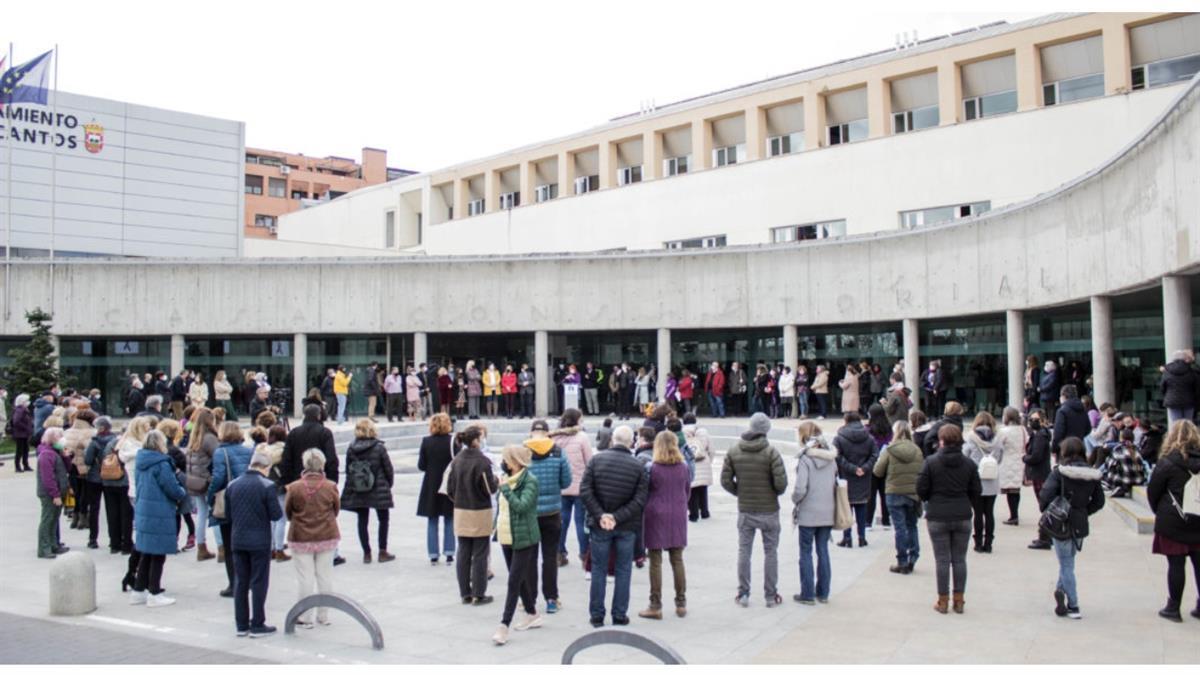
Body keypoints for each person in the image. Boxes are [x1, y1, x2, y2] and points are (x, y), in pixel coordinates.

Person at [580, 424, 647, 627]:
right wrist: (616, 517)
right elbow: (640, 500)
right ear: (631, 442)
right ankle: (619, 614)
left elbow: (585, 490)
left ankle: (597, 615)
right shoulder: (638, 466)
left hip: (601, 525)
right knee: (623, 569)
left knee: (599, 569)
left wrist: (602, 516)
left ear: (612, 440)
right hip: (626, 526)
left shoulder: (596, 460)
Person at [721, 412, 788, 608]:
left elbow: (725, 480)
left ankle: (743, 593)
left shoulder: (734, 451)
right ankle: (770, 594)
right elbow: (781, 484)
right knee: (771, 552)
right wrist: (771, 492)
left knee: (744, 551)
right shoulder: (771, 452)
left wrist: (740, 492)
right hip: (769, 509)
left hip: (746, 509)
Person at [917, 425, 982, 615]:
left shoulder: (931, 462)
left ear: (942, 441)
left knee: (942, 560)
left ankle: (943, 600)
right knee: (960, 559)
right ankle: (959, 600)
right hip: (962, 514)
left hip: (938, 514)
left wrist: (931, 498)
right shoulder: (969, 464)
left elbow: (921, 488)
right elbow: (976, 491)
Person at [1039, 437, 1105, 620]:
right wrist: (1083, 511)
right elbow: (1099, 501)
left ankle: (1073, 604)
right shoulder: (1092, 474)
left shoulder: (1059, 473)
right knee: (1068, 561)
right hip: (1079, 521)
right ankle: (1060, 589)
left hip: (1060, 521)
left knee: (1066, 564)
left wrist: (1051, 509)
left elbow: (1045, 494)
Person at [225, 447, 284, 637]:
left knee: (240, 581)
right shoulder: (267, 485)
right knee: (259, 582)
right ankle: (257, 623)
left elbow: (228, 515)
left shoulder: (233, 485)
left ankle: (241, 624)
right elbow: (276, 515)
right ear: (265, 468)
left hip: (238, 539)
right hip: (259, 541)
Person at [1146, 420, 1200, 621]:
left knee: (1176, 565)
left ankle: (1173, 607)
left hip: (1174, 520)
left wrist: (1160, 512)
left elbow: (1153, 492)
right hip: (1199, 518)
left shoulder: (1167, 462)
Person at [129, 429, 188, 607]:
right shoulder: (161, 463)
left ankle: (139, 590)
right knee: (158, 554)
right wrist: (182, 492)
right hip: (159, 510)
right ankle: (154, 591)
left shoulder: (141, 461)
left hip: (144, 509)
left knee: (147, 550)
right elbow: (171, 487)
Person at [491, 443, 542, 645]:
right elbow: (502, 509)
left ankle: (504, 626)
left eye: (505, 459)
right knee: (518, 578)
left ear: (514, 462)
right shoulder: (506, 479)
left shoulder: (530, 481)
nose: (503, 462)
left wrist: (505, 490)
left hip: (524, 537)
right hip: (506, 535)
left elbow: (521, 506)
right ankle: (532, 613)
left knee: (513, 581)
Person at [636, 430, 691, 620]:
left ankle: (655, 604)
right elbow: (687, 490)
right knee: (677, 559)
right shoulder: (683, 467)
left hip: (655, 513)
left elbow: (644, 492)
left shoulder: (652, 467)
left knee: (655, 561)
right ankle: (681, 602)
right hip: (677, 513)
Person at [284, 448, 340, 628]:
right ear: (322, 465)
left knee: (305, 578)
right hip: (326, 534)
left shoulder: (294, 487)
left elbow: (288, 511)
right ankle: (323, 615)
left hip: (301, 535)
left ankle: (305, 616)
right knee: (325, 576)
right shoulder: (330, 486)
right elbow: (336, 510)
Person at [521, 419, 572, 612]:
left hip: (530, 511)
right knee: (550, 556)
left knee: (530, 557)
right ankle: (551, 598)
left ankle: (529, 598)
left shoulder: (523, 452)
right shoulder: (558, 452)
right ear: (548, 433)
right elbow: (566, 481)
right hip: (552, 511)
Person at [445, 426, 499, 604]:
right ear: (476, 440)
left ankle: (464, 593)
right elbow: (489, 488)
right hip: (479, 509)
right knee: (480, 552)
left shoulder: (457, 460)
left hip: (461, 508)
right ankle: (478, 593)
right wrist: (497, 481)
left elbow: (450, 488)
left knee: (463, 551)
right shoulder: (482, 461)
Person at [790, 421, 837, 604]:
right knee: (823, 551)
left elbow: (801, 488)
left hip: (809, 512)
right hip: (827, 510)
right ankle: (823, 593)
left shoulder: (805, 459)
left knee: (806, 552)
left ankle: (807, 593)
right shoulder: (831, 457)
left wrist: (795, 499)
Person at [207, 421, 254, 595]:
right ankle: (247, 580)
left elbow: (218, 477)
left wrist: (210, 495)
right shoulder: (248, 450)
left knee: (229, 545)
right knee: (245, 543)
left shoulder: (221, 452)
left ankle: (234, 584)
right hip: (247, 499)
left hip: (228, 500)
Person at [341, 419, 395, 563]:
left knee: (362, 520)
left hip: (359, 486)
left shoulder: (351, 448)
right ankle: (382, 551)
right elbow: (388, 468)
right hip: (379, 486)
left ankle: (367, 553)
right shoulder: (379, 447)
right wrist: (388, 484)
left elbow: (348, 470)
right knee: (383, 519)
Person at [874, 421, 923, 574]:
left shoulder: (890, 450)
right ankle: (912, 557)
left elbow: (878, 471)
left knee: (900, 528)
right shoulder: (917, 450)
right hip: (912, 493)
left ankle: (901, 560)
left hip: (894, 491)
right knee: (912, 525)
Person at [550, 409, 592, 569]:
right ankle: (584, 555)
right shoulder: (582, 438)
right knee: (581, 522)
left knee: (562, 522)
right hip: (580, 487)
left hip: (561, 486)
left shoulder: (554, 438)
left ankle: (559, 554)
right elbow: (589, 462)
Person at [833, 411, 877, 548]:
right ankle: (862, 537)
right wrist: (864, 467)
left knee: (846, 507)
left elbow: (837, 456)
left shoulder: (840, 437)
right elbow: (875, 454)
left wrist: (851, 468)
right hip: (864, 476)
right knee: (861, 505)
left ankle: (847, 537)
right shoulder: (869, 437)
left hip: (846, 477)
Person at [417, 413, 456, 565]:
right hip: (448, 484)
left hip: (431, 484)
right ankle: (449, 553)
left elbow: (421, 465)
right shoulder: (452, 442)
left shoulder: (426, 441)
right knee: (449, 519)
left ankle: (433, 554)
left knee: (432, 520)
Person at [963, 411, 1004, 554]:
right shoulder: (997, 439)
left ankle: (978, 542)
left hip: (976, 481)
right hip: (992, 480)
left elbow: (965, 456)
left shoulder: (971, 438)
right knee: (989, 513)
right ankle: (989, 543)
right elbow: (999, 459)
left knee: (978, 513)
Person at [254, 424, 290, 562]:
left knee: (270, 519)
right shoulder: (284, 450)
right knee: (281, 519)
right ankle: (279, 549)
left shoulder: (262, 450)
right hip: (279, 486)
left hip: (265, 485)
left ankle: (271, 548)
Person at [81, 416, 117, 549]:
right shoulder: (115, 440)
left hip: (95, 478)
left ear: (101, 428)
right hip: (111, 476)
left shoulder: (94, 442)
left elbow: (88, 461)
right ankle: (114, 538)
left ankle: (93, 539)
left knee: (94, 509)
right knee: (111, 508)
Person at [36, 427, 69, 559]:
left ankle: (53, 544)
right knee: (48, 519)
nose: (62, 440)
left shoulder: (55, 452)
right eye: (59, 437)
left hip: (57, 492)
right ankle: (44, 548)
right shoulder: (46, 454)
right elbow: (47, 477)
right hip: (49, 494)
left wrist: (65, 456)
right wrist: (55, 494)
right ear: (52, 439)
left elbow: (67, 468)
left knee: (54, 519)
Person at [995, 407, 1030, 526]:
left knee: (1010, 490)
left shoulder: (1003, 431)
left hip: (1007, 461)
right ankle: (1015, 514)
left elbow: (997, 445)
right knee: (1016, 490)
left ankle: (1013, 515)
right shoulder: (1022, 429)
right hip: (1020, 461)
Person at [865, 404, 893, 529]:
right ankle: (886, 520)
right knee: (885, 493)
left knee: (871, 494)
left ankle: (868, 521)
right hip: (886, 463)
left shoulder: (867, 429)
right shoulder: (889, 428)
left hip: (872, 464)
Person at [1102, 429, 1148, 497]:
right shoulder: (1137, 451)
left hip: (1123, 481)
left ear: (1121, 438)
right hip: (1138, 481)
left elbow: (1108, 466)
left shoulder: (1117, 450)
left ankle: (1116, 488)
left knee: (1104, 476)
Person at [684, 413, 712, 521]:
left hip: (690, 463)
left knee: (692, 489)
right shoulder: (703, 432)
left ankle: (693, 514)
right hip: (704, 462)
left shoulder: (683, 433)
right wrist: (709, 460)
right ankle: (705, 512)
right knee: (703, 488)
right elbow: (711, 450)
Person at [1161, 350, 1199, 425]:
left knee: (1176, 424)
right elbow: (1196, 387)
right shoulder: (1191, 371)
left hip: (1172, 401)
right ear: (1184, 359)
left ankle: (1177, 436)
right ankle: (1187, 436)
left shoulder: (1167, 371)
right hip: (1189, 400)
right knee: (1188, 424)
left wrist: (1167, 396)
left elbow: (1162, 387)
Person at [11, 394, 33, 472]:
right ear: (22, 401)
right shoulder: (19, 410)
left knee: (25, 450)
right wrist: (26, 428)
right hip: (20, 434)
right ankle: (17, 466)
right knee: (19, 450)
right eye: (26, 400)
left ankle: (25, 465)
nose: (28, 402)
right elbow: (16, 421)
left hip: (24, 434)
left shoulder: (24, 409)